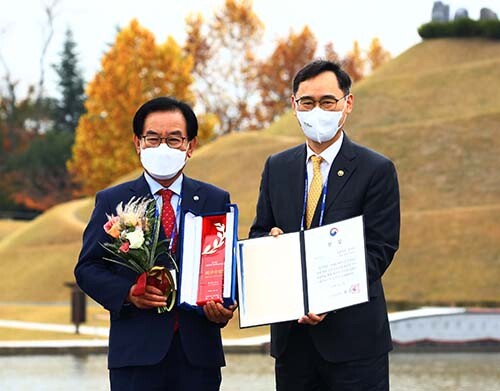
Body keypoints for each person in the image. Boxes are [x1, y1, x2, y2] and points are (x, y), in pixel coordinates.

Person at [249, 60, 400, 390]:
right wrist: (269, 242)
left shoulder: (376, 169)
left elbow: (379, 249)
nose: (317, 110)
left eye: (327, 101)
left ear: (347, 104)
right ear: (294, 106)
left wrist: (327, 298)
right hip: (293, 342)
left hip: (355, 344)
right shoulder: (277, 167)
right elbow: (260, 230)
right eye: (307, 102)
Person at [75, 96, 236, 391]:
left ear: (191, 146)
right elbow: (87, 268)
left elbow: (225, 268)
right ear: (138, 143)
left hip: (198, 355)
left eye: (174, 139)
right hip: (136, 355)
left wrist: (225, 305)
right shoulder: (114, 201)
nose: (163, 147)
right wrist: (127, 293)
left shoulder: (215, 200)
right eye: (153, 138)